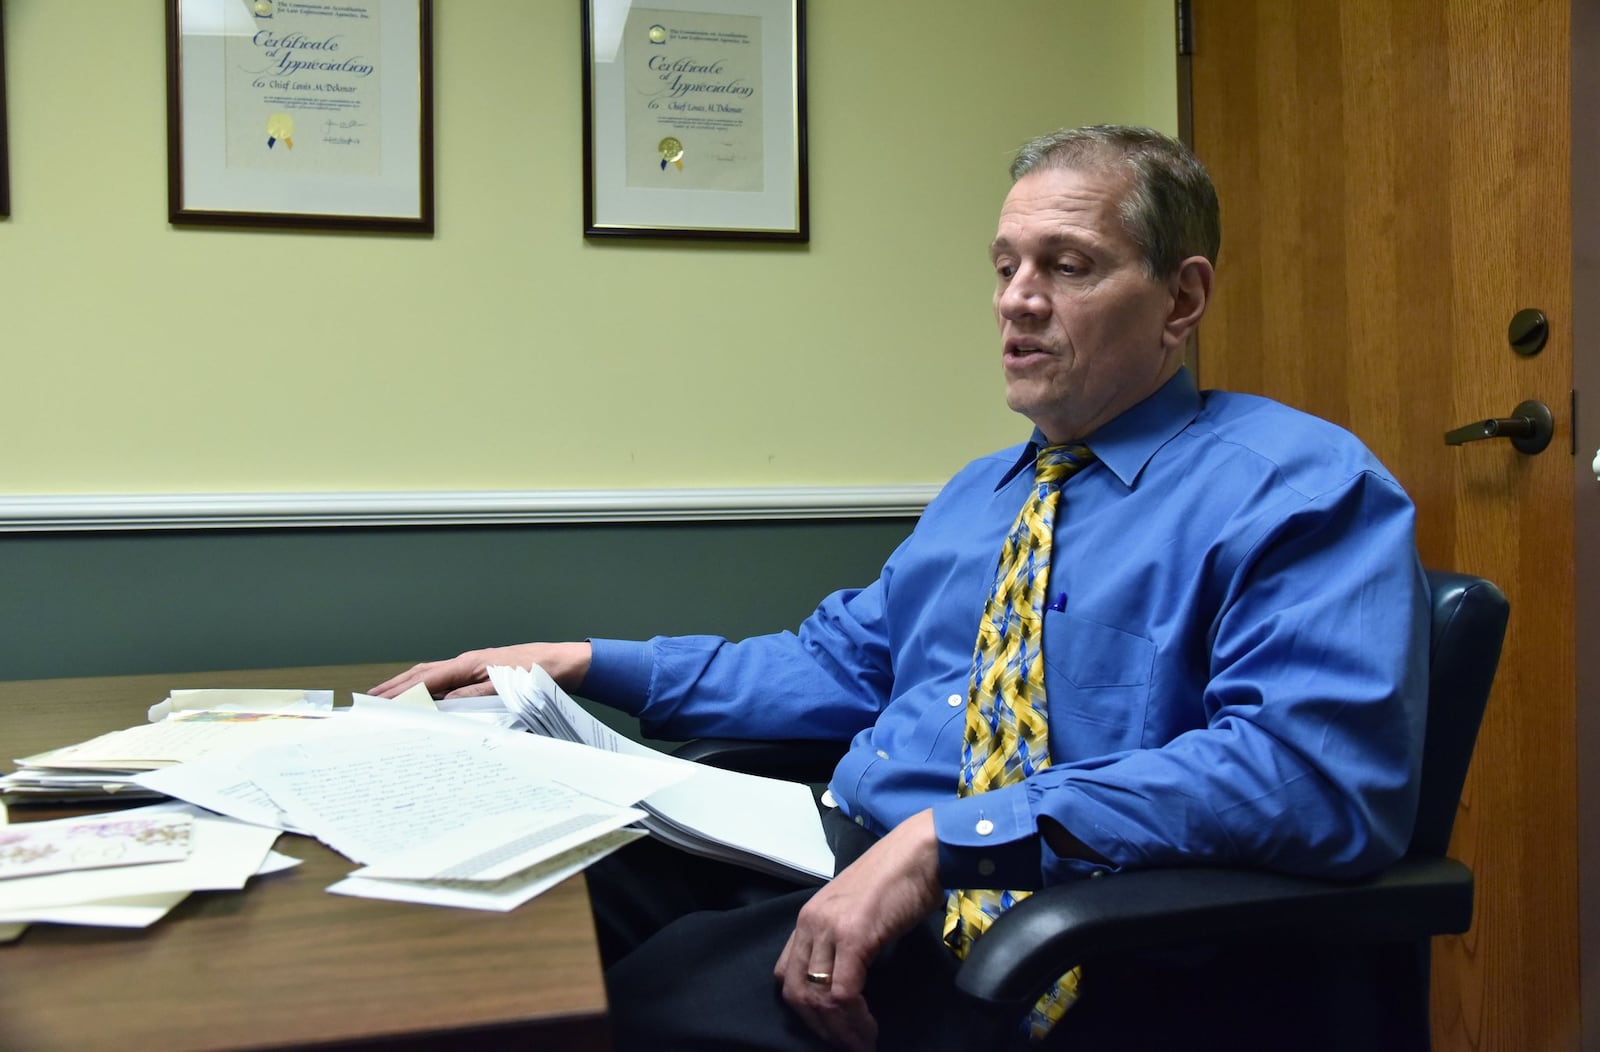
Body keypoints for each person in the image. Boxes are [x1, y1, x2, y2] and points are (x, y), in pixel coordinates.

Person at [372, 125, 1428, 1050]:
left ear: (1181, 298)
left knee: (635, 1007)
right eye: (1006, 265)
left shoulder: (1294, 485)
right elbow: (838, 663)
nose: (1016, 301)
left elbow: (1306, 775)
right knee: (522, 909)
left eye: (1066, 266)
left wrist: (951, 837)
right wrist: (584, 663)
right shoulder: (983, 494)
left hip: (1048, 926)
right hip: (849, 845)